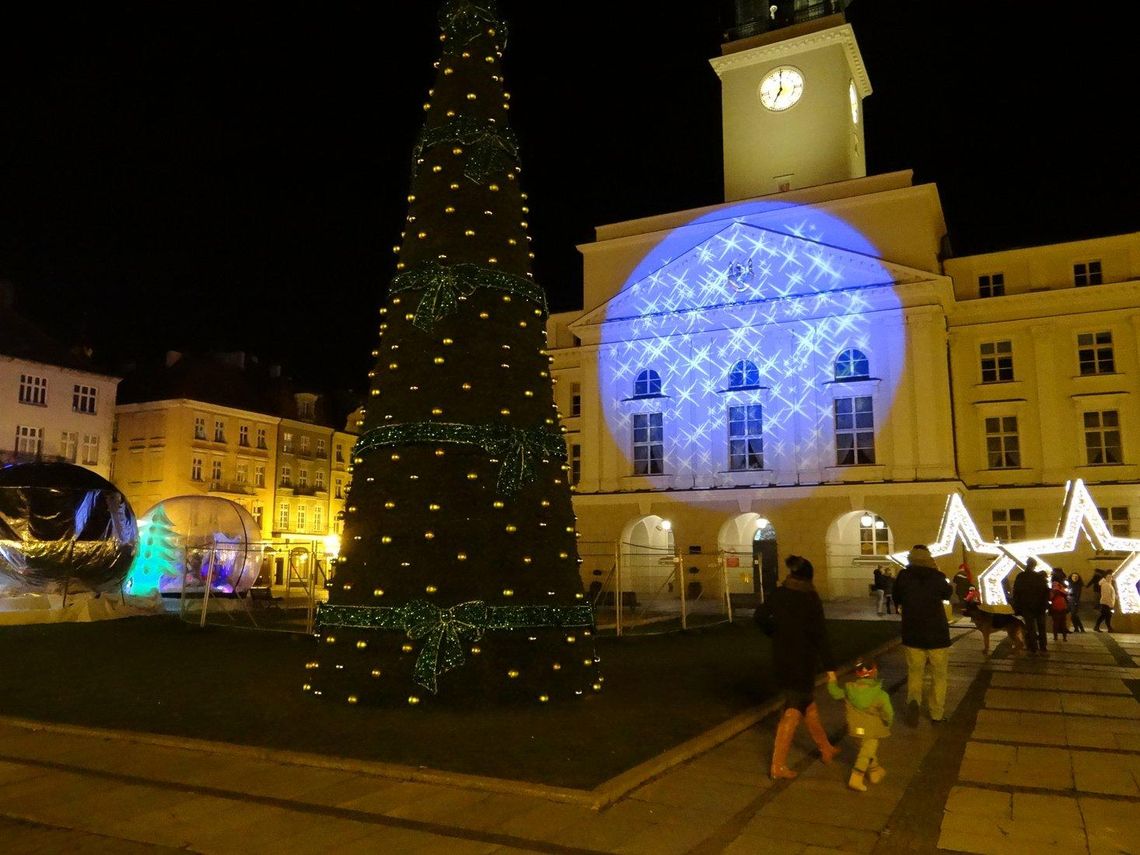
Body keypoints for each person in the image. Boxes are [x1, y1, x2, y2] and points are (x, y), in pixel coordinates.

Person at [754, 555, 840, 779]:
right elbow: (820, 633)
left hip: (782, 658)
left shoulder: (780, 594)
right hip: (803, 661)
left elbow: (760, 616)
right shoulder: (810, 598)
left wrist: (775, 632)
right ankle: (778, 765)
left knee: (808, 706)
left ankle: (825, 748)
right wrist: (830, 667)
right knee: (793, 711)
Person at [892, 544, 952, 726]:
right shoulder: (937, 576)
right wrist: (937, 570)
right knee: (939, 675)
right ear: (929, 558)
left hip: (913, 632)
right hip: (937, 634)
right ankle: (936, 713)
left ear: (910, 558)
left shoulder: (903, 576)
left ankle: (914, 703)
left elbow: (896, 598)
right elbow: (948, 593)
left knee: (915, 672)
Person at [828, 658, 893, 792]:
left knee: (867, 749)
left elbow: (835, 693)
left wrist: (832, 679)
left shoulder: (849, 690)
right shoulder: (880, 695)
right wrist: (888, 723)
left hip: (856, 728)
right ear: (874, 672)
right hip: (873, 729)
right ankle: (856, 777)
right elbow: (888, 713)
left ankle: (875, 771)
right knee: (866, 752)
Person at [1011, 558, 1049, 655]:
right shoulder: (1039, 577)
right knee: (1041, 627)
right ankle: (1043, 647)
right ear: (1034, 565)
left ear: (1027, 564)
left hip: (1026, 607)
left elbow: (1016, 593)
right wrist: (1044, 604)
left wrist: (1017, 607)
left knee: (1030, 627)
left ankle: (1033, 647)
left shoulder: (1021, 576)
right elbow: (1046, 592)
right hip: (1039, 607)